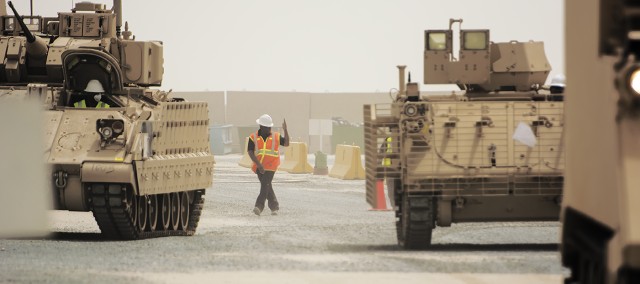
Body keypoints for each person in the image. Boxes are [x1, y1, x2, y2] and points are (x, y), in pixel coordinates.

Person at [247, 114, 289, 216]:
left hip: (271, 165)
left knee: (265, 184)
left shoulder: (276, 136)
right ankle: (274, 206)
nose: (269, 129)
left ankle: (259, 206)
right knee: (267, 185)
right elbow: (250, 151)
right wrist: (259, 165)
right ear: (261, 126)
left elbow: (287, 143)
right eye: (267, 127)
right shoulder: (253, 137)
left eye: (270, 127)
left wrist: (285, 130)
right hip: (258, 166)